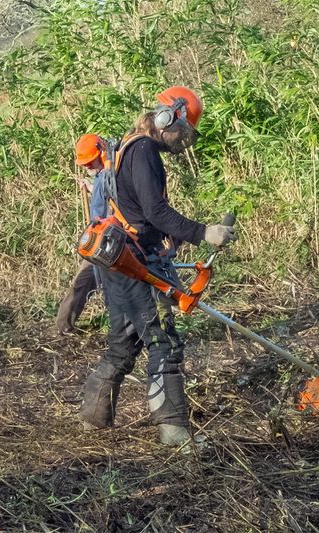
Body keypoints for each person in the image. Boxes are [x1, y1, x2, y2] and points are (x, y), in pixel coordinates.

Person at [79, 86, 237, 446]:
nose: (182, 139)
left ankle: (93, 418)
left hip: (115, 260)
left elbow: (140, 211)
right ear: (169, 117)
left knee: (124, 343)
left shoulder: (126, 147)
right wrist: (203, 232)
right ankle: (174, 432)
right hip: (132, 262)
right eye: (182, 130)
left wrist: (172, 237)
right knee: (163, 342)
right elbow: (155, 211)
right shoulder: (146, 149)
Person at [56, 134, 108, 334]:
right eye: (83, 163)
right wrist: (90, 187)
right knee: (81, 283)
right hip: (96, 240)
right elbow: (103, 193)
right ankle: (64, 327)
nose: (86, 166)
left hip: (107, 242)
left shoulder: (112, 176)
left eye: (89, 161)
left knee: (86, 283)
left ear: (101, 154)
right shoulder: (102, 176)